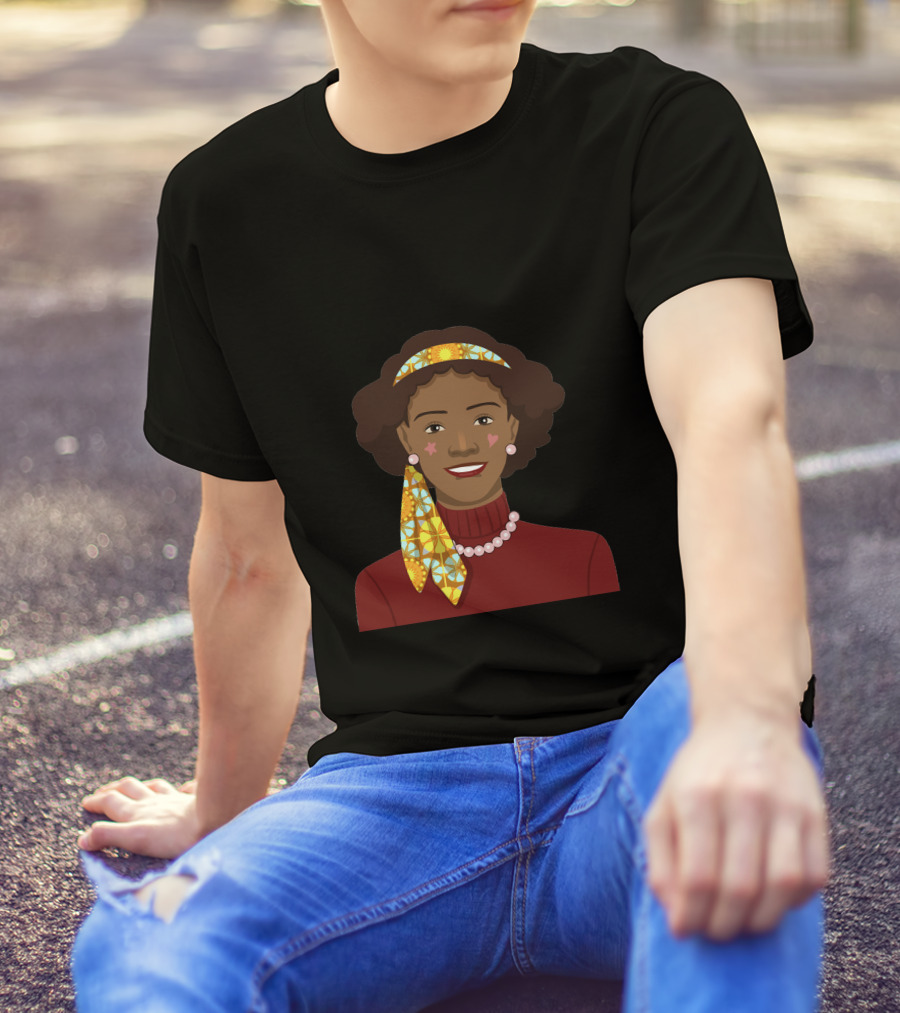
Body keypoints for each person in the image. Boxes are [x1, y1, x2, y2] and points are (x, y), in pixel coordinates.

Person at [70, 0, 830, 1010]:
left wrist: (745, 721)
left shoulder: (659, 125)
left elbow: (731, 417)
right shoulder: (226, 201)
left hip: (639, 760)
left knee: (718, 745)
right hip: (393, 801)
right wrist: (220, 808)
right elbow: (246, 558)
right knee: (147, 949)